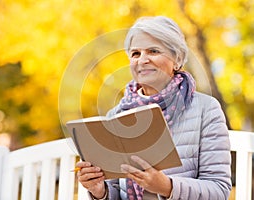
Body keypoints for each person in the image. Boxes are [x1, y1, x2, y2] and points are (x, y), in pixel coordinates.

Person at [76, 16, 232, 200]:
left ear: (177, 59)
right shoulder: (116, 115)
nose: (143, 60)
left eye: (153, 51)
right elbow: (116, 193)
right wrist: (99, 191)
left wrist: (167, 187)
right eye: (135, 54)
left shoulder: (206, 109)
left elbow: (219, 189)